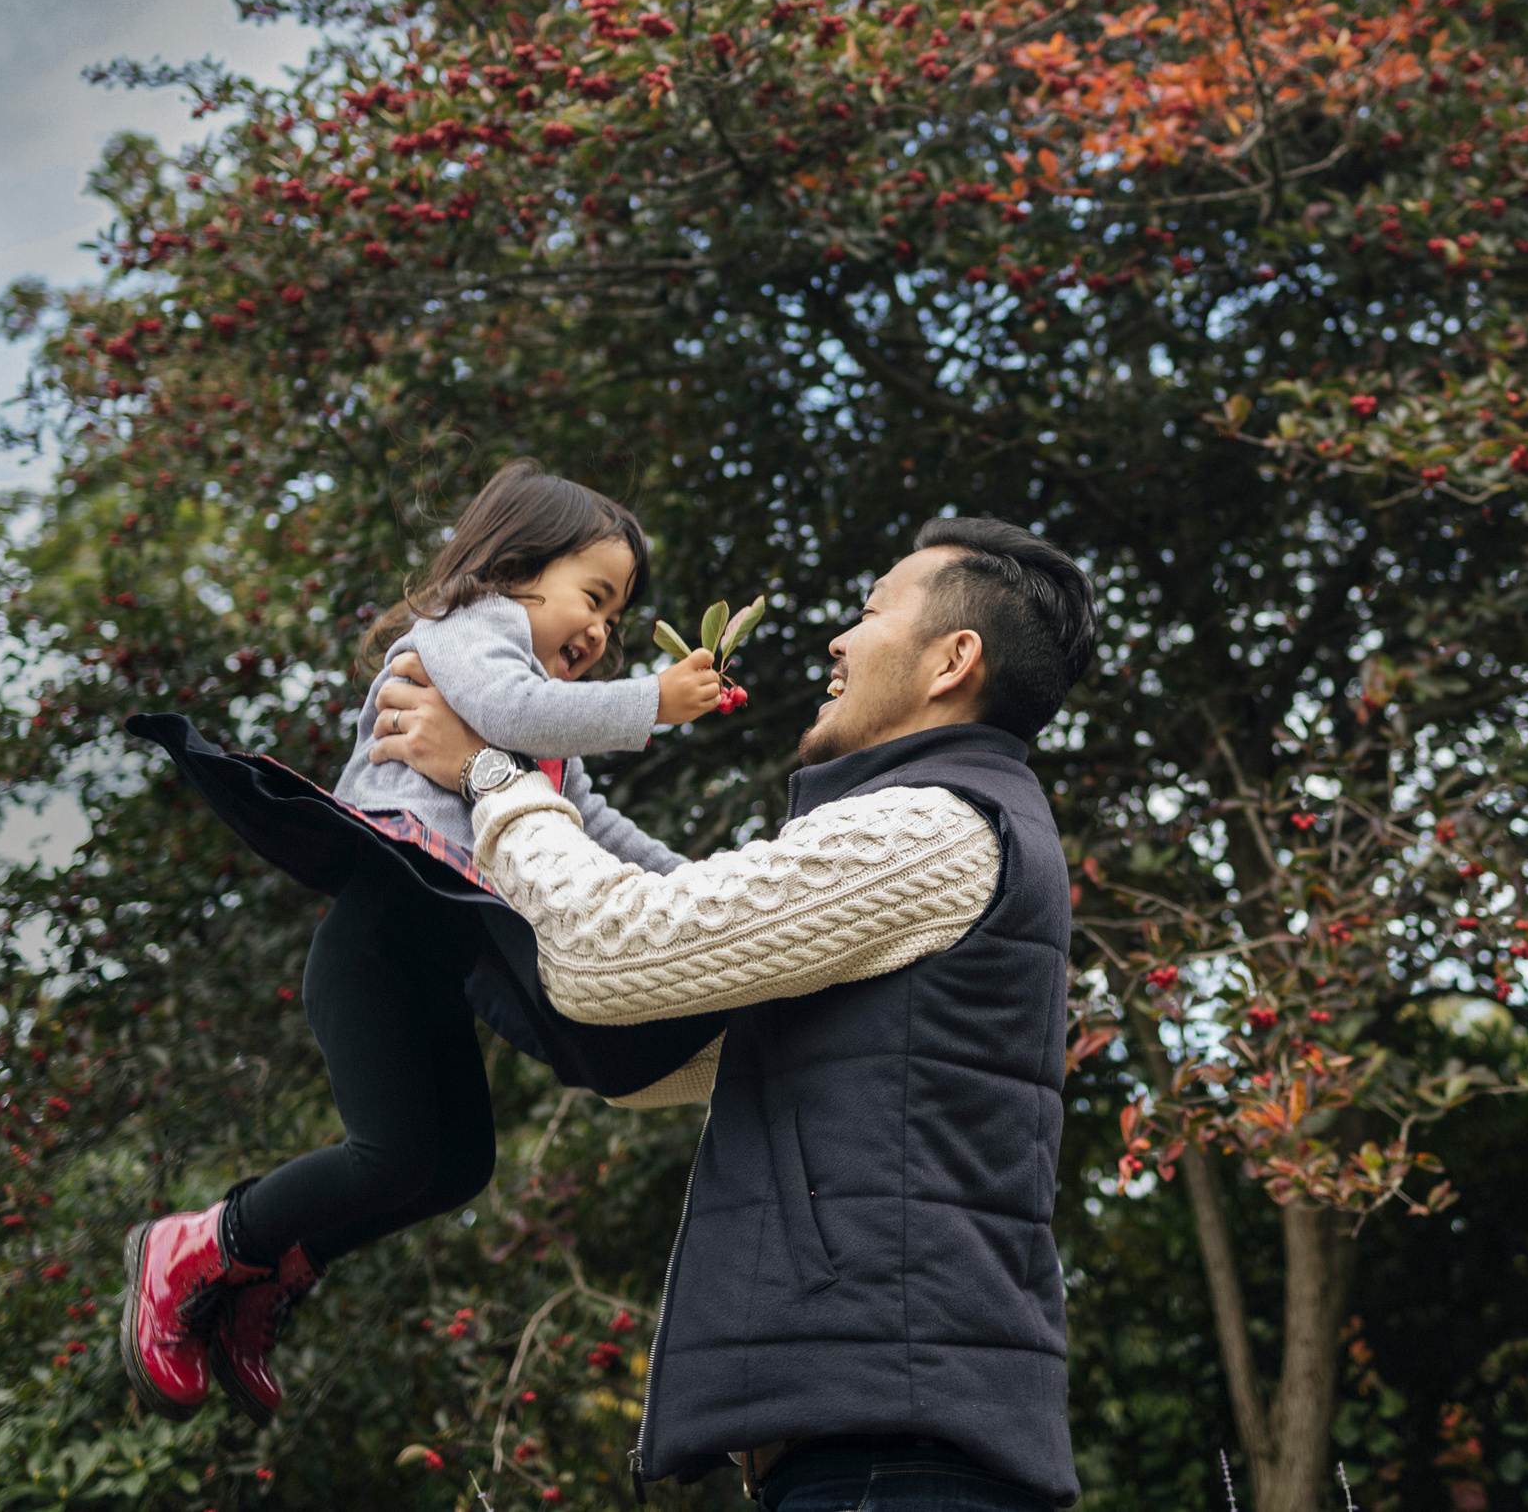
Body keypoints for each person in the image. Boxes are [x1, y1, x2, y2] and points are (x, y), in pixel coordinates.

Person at [369, 517, 1095, 1511]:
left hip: (894, 1455)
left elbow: (615, 951)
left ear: (952, 659)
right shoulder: (942, 826)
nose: (840, 641)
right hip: (877, 1447)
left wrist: (490, 777)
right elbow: (654, 1033)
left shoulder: (931, 823)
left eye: (871, 611)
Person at [119, 461, 723, 1429]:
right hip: (375, 940)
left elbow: (596, 829)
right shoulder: (465, 637)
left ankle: (268, 1272)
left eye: (617, 614)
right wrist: (652, 698)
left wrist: (703, 890)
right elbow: (517, 712)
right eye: (594, 597)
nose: (604, 631)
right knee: (390, 1153)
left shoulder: (539, 744)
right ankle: (195, 1246)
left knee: (454, 1167)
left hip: (430, 967)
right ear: (516, 567)